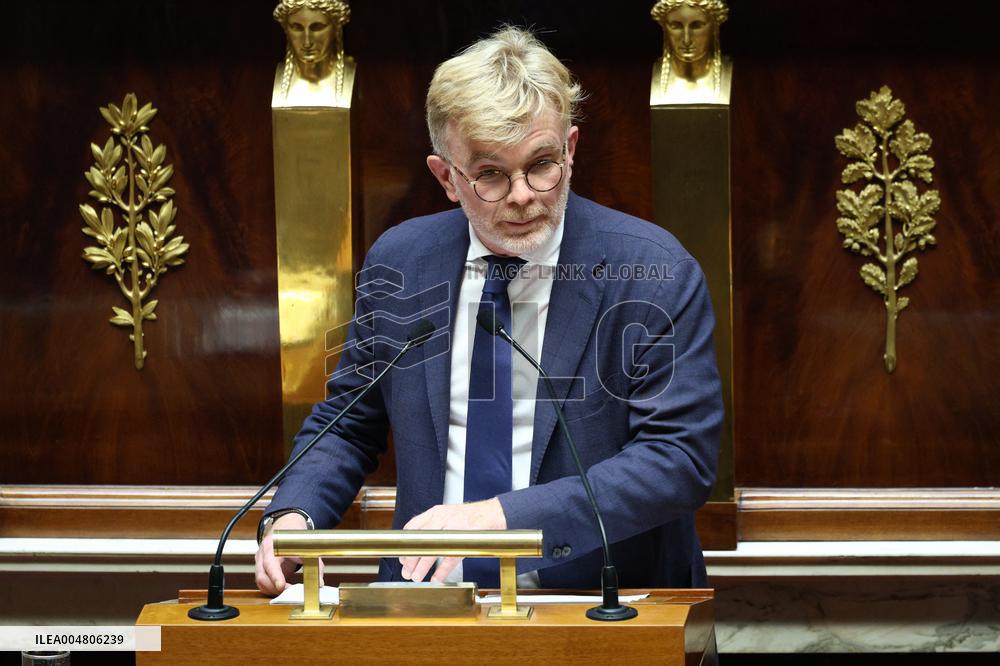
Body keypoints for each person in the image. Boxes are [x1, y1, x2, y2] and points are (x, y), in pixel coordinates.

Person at [255, 26, 722, 594]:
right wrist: (296, 516)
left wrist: (501, 518)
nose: (524, 195)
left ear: (571, 150)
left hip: (599, 606)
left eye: (542, 164)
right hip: (429, 607)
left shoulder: (653, 272)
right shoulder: (402, 263)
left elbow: (676, 459)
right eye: (492, 175)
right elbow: (350, 422)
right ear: (447, 177)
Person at [273, 0, 351, 104]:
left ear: (337, 27)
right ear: (286, 29)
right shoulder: (278, 83)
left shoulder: (350, 78)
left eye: (317, 27)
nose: (307, 42)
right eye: (297, 28)